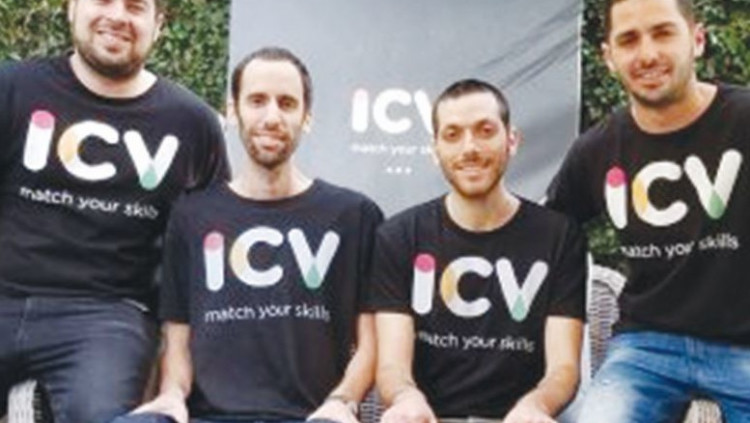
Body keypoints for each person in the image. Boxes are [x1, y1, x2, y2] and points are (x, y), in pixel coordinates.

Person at [123, 47, 383, 423]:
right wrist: (171, 395)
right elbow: (178, 339)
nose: (272, 117)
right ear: (233, 111)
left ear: (306, 118)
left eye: (287, 103)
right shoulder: (192, 216)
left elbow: (371, 342)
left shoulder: (353, 215)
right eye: (257, 101)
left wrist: (342, 402)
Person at [0, 0, 228, 421]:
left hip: (105, 317)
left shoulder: (192, 124)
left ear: (158, 25)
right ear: (71, 8)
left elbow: (205, 253)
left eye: (136, 7)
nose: (118, 16)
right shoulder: (11, 87)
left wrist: (175, 369)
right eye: (103, 1)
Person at [546, 0, 750, 420]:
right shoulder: (596, 150)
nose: (648, 54)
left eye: (663, 33)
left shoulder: (743, 120)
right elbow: (548, 237)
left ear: (697, 39)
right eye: (629, 40)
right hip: (645, 348)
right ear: (609, 57)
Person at [370, 79, 586, 423]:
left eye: (485, 131)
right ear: (435, 149)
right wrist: (405, 397)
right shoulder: (398, 237)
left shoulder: (559, 236)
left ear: (511, 140)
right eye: (452, 135)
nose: (469, 148)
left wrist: (537, 406)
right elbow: (392, 366)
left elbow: (563, 368)